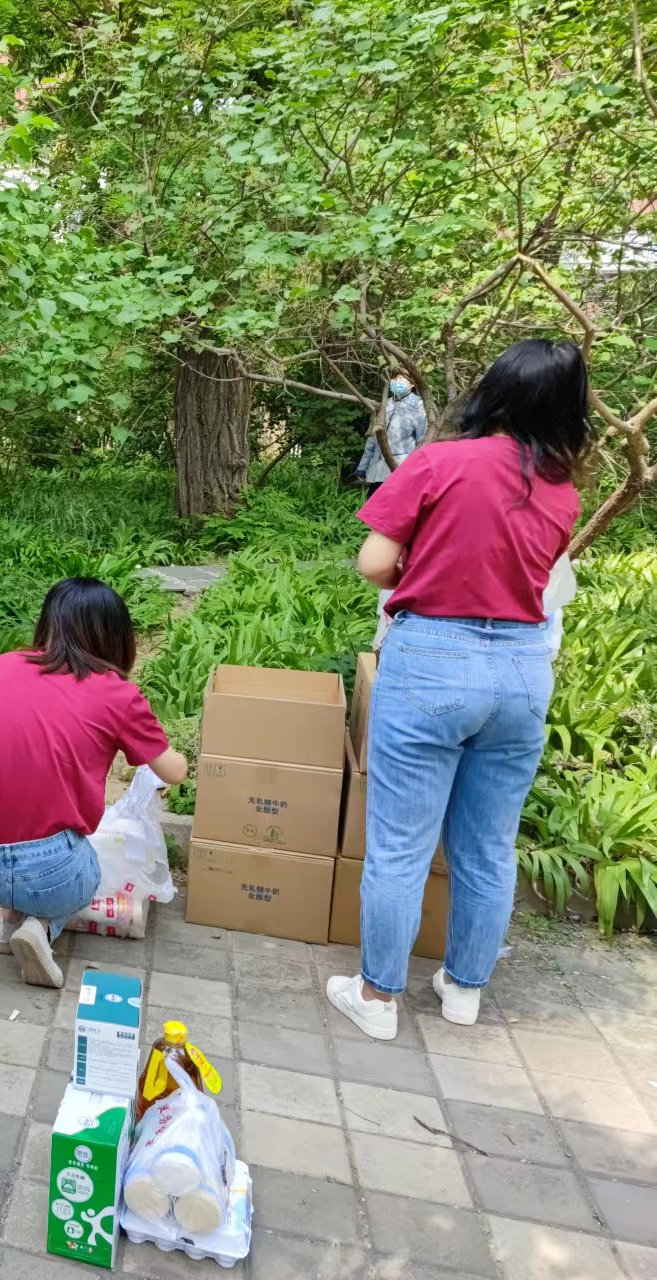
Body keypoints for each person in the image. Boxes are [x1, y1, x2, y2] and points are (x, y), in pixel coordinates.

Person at [328, 338, 587, 1041]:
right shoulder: (563, 488)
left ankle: (379, 998)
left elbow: (373, 561)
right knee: (487, 847)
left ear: (493, 391)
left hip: (433, 661)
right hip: (522, 672)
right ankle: (463, 989)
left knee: (400, 847)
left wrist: (419, 571)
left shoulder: (439, 462)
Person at [0, 578, 190, 988]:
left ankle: (6, 922)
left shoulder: (1, 667)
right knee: (90, 869)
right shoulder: (119, 696)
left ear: (48, 624)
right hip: (51, 871)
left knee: (17, 856)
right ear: (116, 636)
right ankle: (41, 928)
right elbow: (174, 772)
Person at [355, 372, 429, 489]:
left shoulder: (419, 405)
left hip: (402, 470)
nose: (397, 381)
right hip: (376, 471)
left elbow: (423, 441)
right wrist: (363, 467)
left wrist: (418, 471)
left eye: (402, 378)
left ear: (412, 384)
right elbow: (373, 439)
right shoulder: (386, 404)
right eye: (395, 378)